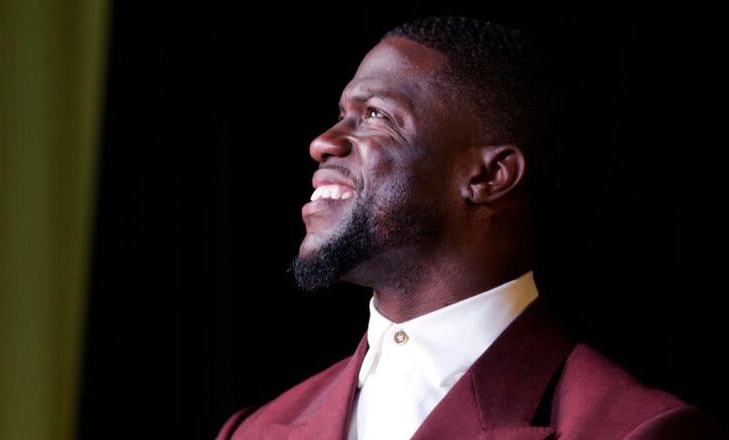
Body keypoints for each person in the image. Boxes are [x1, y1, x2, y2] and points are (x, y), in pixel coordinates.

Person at [215, 16, 724, 440]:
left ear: (488, 176)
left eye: (374, 114)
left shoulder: (635, 430)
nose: (323, 143)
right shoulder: (253, 431)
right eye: (342, 114)